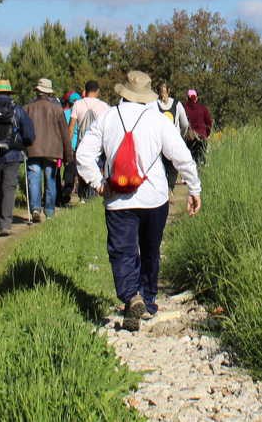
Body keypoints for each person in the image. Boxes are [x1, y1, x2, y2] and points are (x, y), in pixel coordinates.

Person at [77, 71, 202, 321]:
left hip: (117, 198)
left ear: (124, 92)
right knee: (150, 250)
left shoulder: (107, 118)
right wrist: (194, 188)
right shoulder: (158, 120)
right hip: (154, 197)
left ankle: (131, 296)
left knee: (123, 251)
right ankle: (147, 300)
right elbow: (181, 156)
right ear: (147, 96)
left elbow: (82, 154)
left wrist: (99, 184)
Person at [0, 79, 34, 236]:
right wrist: (22, 144)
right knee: (9, 187)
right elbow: (29, 135)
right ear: (9, 93)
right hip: (12, 154)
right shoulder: (17, 110)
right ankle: (5, 223)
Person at [23, 78, 72, 223]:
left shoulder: (27, 108)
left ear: (37, 91)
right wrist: (68, 155)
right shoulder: (57, 109)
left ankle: (35, 209)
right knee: (50, 180)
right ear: (49, 93)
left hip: (33, 149)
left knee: (34, 178)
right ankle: (49, 211)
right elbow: (64, 133)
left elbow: (22, 130)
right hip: (53, 150)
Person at [70, 80, 110, 199]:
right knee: (97, 168)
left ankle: (83, 197)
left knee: (82, 170)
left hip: (82, 142)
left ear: (85, 90)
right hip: (99, 145)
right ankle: (94, 195)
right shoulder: (104, 106)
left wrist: (68, 146)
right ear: (97, 91)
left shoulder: (77, 104)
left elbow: (71, 127)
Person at [151, 81, 189, 189]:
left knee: (161, 166)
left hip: (159, 142)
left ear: (157, 92)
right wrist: (181, 136)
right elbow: (185, 124)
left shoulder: (153, 105)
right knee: (173, 167)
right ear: (169, 90)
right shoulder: (177, 104)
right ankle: (170, 188)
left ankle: (164, 189)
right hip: (174, 141)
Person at [60, 90, 81, 206]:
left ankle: (66, 191)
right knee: (75, 170)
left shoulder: (65, 113)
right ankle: (70, 191)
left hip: (68, 145)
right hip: (79, 145)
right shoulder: (81, 112)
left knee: (69, 170)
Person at [184, 88, 213, 166]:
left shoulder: (184, 108)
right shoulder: (203, 108)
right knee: (202, 160)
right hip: (202, 137)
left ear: (187, 97)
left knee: (191, 161)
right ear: (196, 97)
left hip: (190, 138)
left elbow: (182, 124)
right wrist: (207, 134)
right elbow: (209, 123)